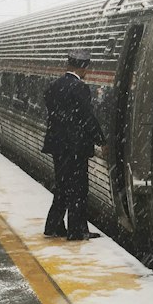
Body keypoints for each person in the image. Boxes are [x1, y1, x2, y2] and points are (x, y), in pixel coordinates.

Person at [42, 49, 106, 240]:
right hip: (75, 147)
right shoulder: (80, 88)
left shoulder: (53, 86)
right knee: (78, 189)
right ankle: (77, 231)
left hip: (58, 146)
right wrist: (101, 140)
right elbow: (87, 117)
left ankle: (53, 226)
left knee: (62, 187)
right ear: (83, 67)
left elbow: (54, 113)